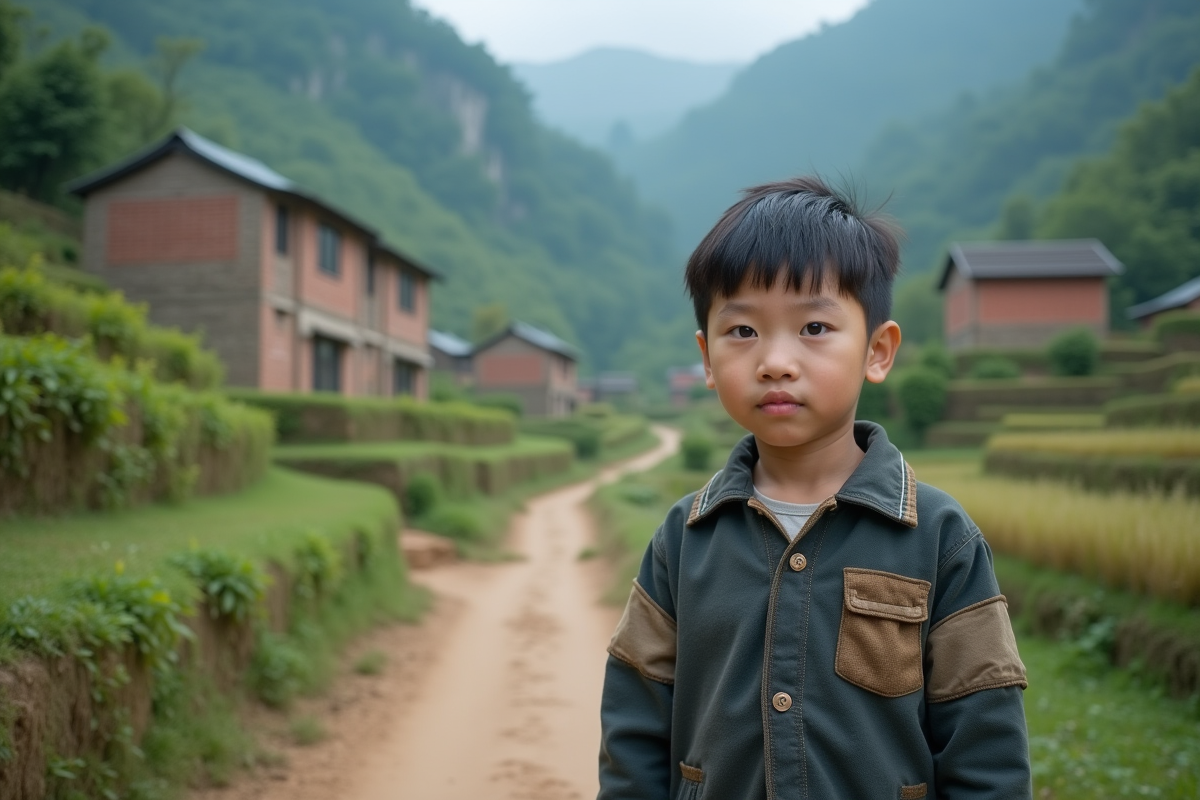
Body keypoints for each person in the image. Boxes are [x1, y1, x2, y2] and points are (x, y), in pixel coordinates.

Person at [597, 177, 1030, 799]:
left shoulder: (940, 539)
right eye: (742, 332)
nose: (775, 360)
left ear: (877, 351)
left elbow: (985, 742)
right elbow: (634, 727)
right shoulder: (683, 540)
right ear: (708, 361)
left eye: (815, 328)